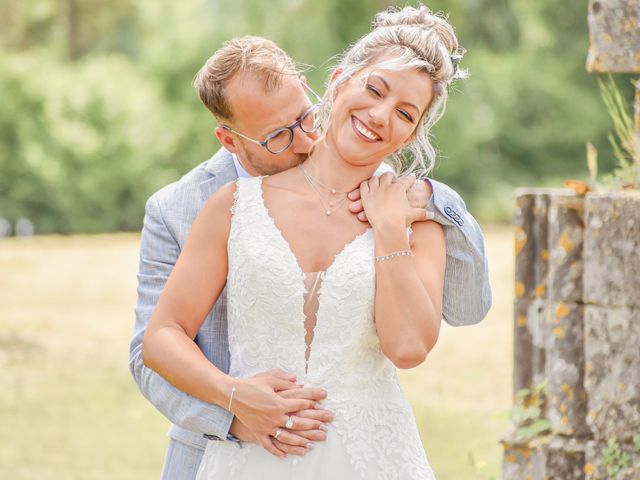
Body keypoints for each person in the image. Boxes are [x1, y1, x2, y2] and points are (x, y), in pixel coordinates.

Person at [139, 4, 484, 479]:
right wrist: (235, 396)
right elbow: (159, 338)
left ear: (411, 135)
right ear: (340, 80)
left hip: (374, 458)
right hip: (250, 459)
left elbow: (407, 348)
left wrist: (387, 228)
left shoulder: (417, 219)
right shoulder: (234, 203)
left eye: (405, 113)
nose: (381, 116)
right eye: (374, 89)